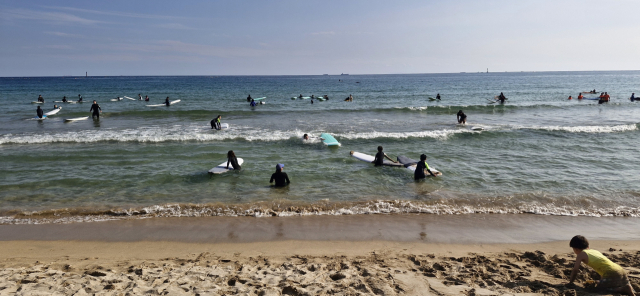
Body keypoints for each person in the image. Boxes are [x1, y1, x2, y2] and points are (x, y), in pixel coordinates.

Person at [566, 235, 635, 296]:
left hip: (611, 273)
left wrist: (570, 282)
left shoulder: (581, 255)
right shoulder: (595, 251)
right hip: (621, 270)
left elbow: (575, 270)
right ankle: (630, 289)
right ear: (588, 246)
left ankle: (622, 289)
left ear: (576, 249)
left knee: (600, 289)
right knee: (612, 283)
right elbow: (604, 265)